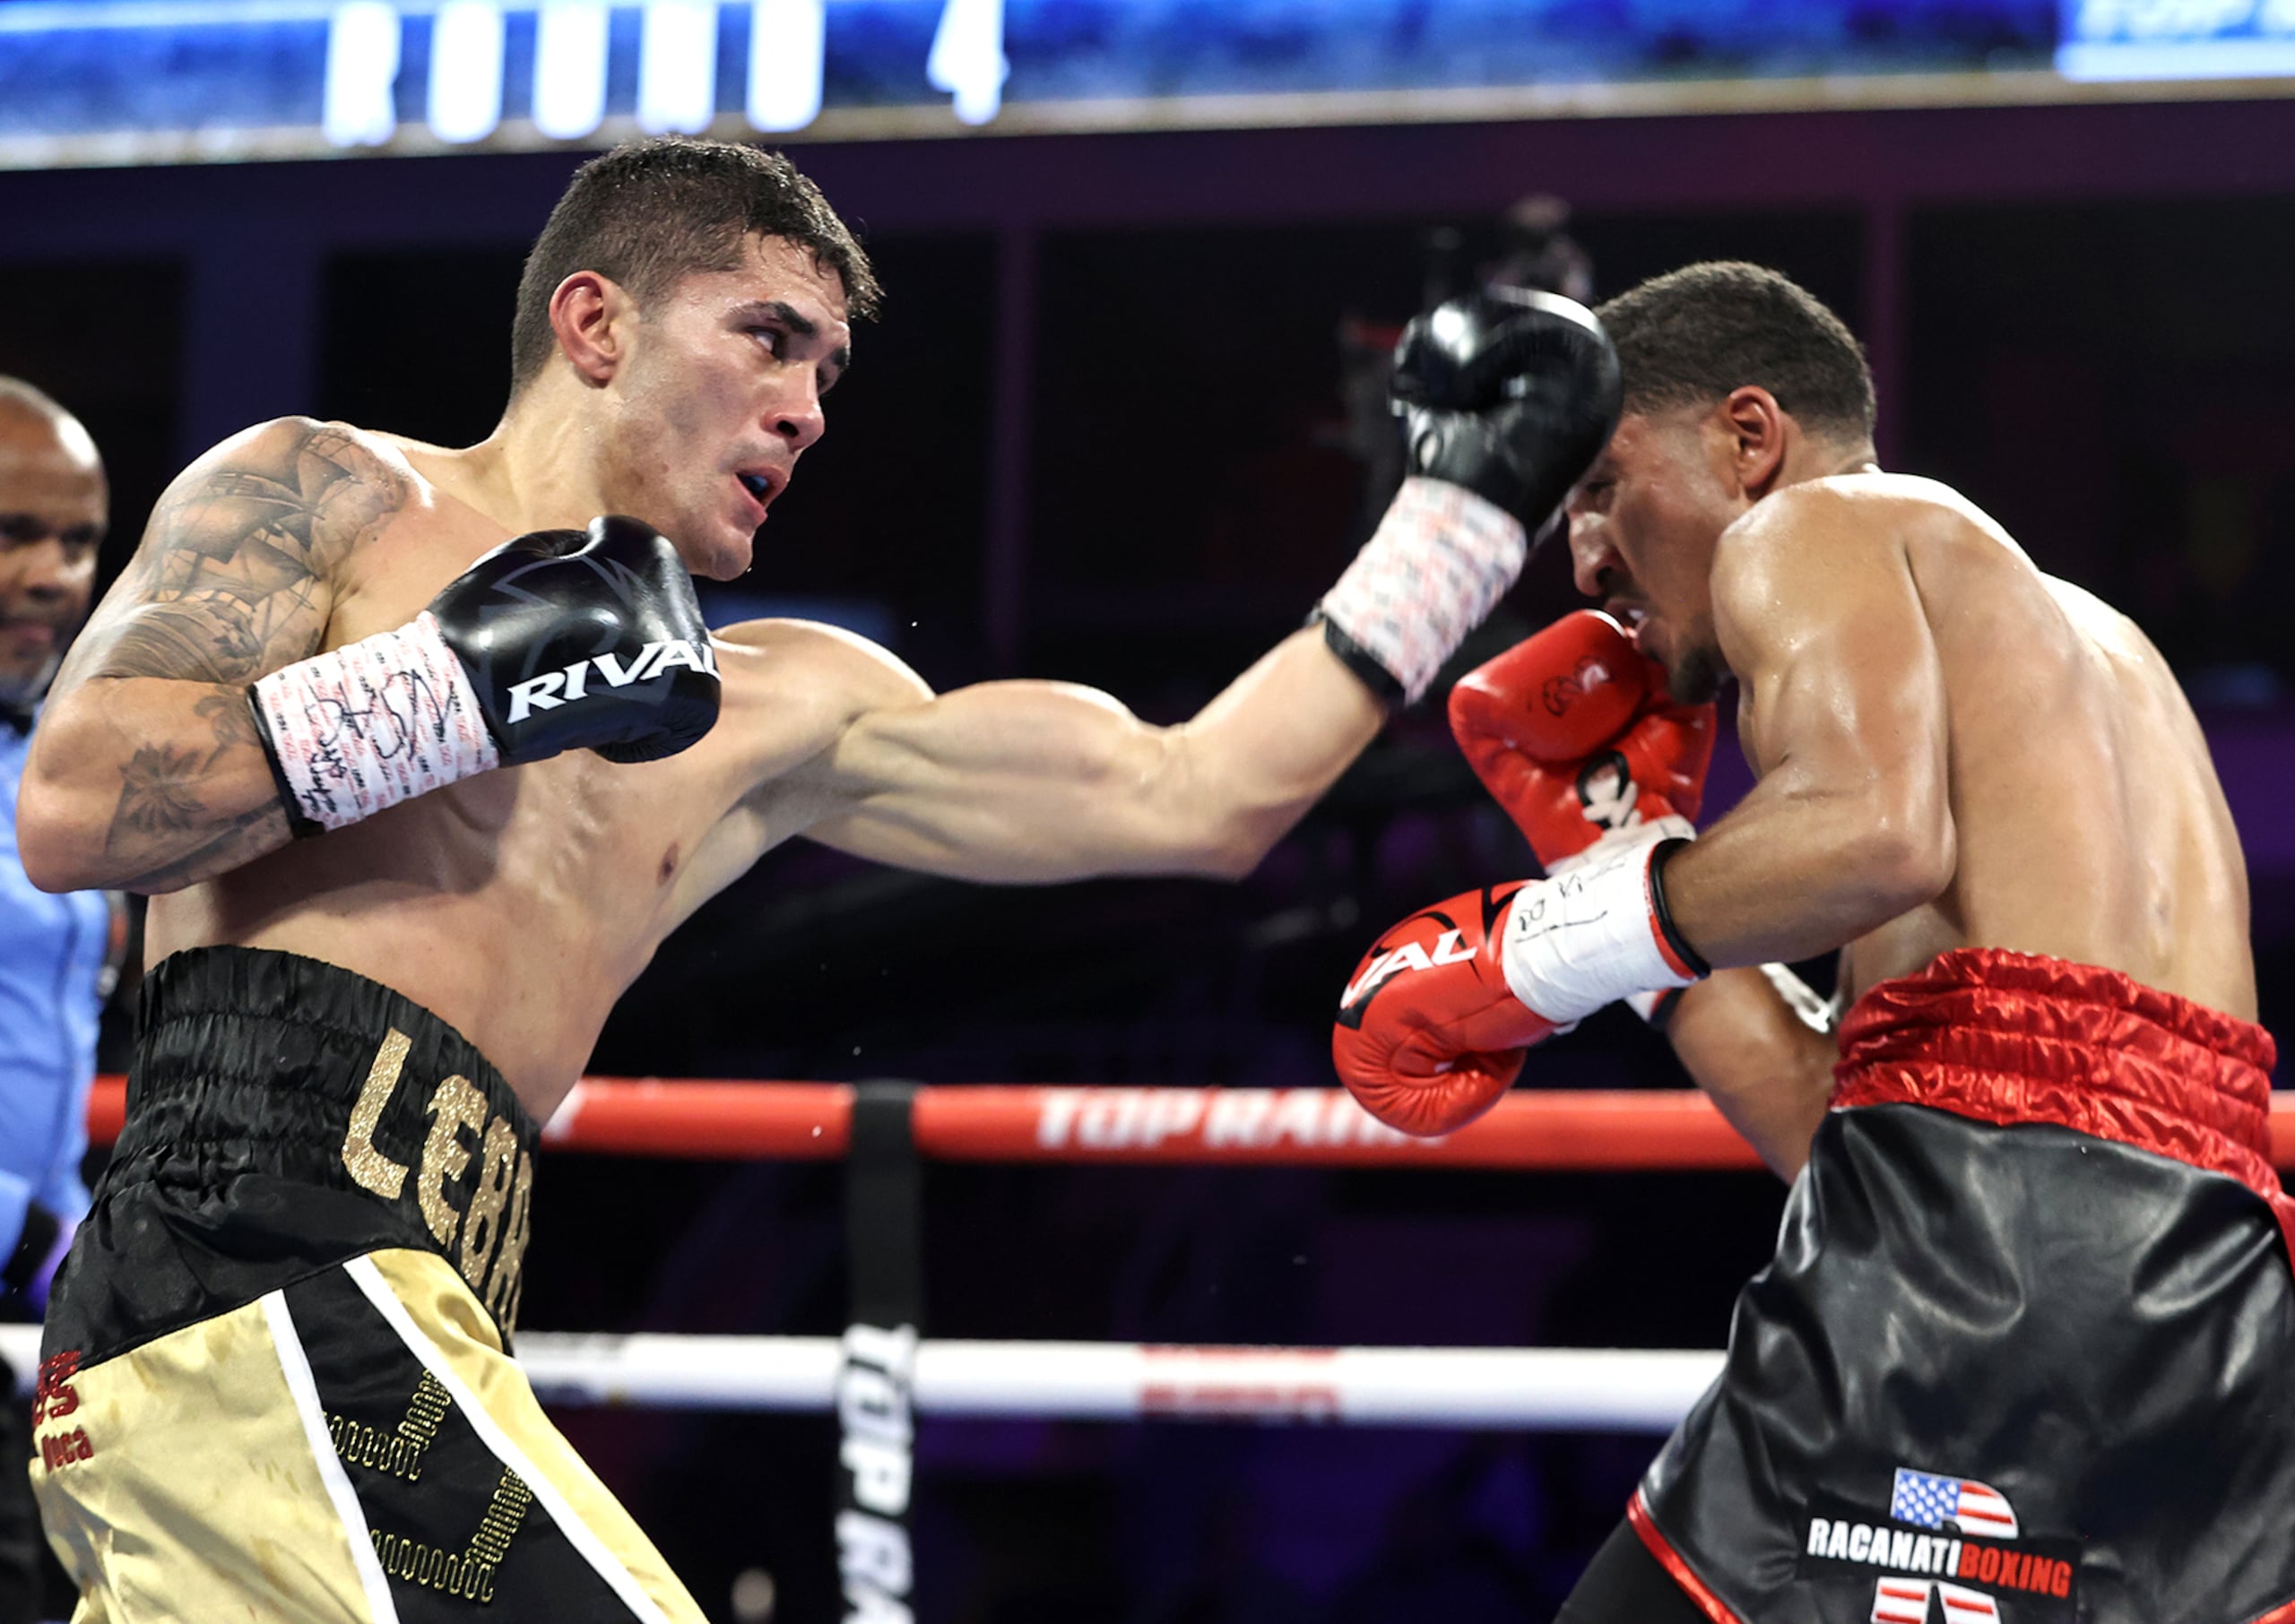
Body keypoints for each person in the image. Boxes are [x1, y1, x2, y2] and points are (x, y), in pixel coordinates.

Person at [14, 137, 1620, 1620]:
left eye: (830, 370)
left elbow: (1194, 799)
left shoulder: (773, 702)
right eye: (768, 337)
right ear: (594, 322)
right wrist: (461, 687)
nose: (810, 406)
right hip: (244, 1283)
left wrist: (1459, 523)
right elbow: (74, 807)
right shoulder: (330, 491)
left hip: (417, 1318)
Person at [1332, 260, 2295, 1624]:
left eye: (1602, 483)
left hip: (1971, 1282)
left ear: (1747, 438)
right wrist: (1617, 848)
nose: (1584, 551)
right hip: (2200, 1311)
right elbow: (1856, 1127)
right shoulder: (2097, 655)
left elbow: (1874, 833)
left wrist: (1533, 949)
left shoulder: (1823, 527)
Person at [0, 379, 111, 1624]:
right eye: (9, 533)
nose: (49, 575)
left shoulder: (61, 761)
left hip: (26, 1322)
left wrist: (84, 1247)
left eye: (76, 539)